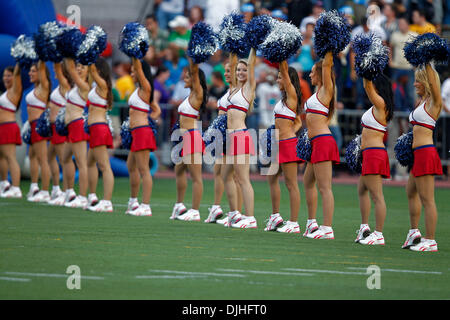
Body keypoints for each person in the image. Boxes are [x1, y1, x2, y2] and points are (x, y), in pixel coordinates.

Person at [403, 64, 443, 252]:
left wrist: (426, 61)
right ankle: (414, 232)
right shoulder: (421, 102)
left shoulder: (434, 102)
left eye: (418, 80)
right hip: (417, 154)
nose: (414, 84)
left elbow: (435, 83)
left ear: (426, 81)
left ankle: (431, 240)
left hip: (426, 152)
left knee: (428, 199)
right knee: (410, 191)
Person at [303, 52, 340, 239]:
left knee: (325, 187)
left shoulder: (327, 90)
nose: (310, 75)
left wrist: (328, 48)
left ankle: (327, 228)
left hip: (323, 141)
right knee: (308, 181)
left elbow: (327, 65)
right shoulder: (317, 92)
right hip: (314, 143)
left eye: (312, 72)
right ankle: (312, 223)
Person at [264, 61, 304, 233]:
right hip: (277, 143)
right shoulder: (283, 100)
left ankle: (293, 223)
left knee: (291, 184)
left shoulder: (292, 96)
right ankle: (275, 217)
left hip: (287, 145)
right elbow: (299, 122)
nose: (278, 79)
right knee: (271, 178)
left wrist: (281, 58)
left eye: (281, 77)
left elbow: (286, 76)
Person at [355, 74, 394, 245]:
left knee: (377, 196)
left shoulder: (381, 104)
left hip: (374, 153)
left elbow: (367, 87)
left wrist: (366, 69)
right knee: (362, 190)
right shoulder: (376, 106)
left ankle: (378, 234)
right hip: (369, 152)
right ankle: (365, 227)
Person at [221, 49, 257, 229]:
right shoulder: (234, 89)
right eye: (238, 70)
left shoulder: (249, 88)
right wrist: (232, 46)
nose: (240, 72)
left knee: (243, 179)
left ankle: (250, 218)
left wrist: (254, 46)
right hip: (230, 137)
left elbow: (251, 64)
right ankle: (235, 213)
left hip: (240, 136)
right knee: (225, 174)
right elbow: (232, 62)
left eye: (244, 70)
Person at [204, 62, 243, 224]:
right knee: (219, 171)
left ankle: (236, 212)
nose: (226, 73)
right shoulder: (227, 91)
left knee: (233, 176)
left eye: (229, 71)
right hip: (222, 135)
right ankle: (218, 207)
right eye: (225, 71)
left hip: (231, 135)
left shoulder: (238, 91)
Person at [170, 57, 207, 221]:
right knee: (179, 171)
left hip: (192, 138)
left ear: (194, 79)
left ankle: (195, 210)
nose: (184, 78)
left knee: (196, 177)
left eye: (187, 76)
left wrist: (194, 57)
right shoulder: (189, 95)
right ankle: (179, 205)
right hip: (183, 139)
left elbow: (195, 72)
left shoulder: (197, 94)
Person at [126, 58, 161, 216]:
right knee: (130, 166)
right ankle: (133, 201)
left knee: (143, 169)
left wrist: (135, 53)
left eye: (134, 70)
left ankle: (145, 206)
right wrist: (152, 119)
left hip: (141, 131)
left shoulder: (146, 87)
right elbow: (156, 110)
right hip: (136, 131)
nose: (132, 73)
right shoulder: (139, 89)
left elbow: (140, 70)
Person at [86, 58, 115, 212]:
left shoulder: (103, 84)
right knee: (89, 162)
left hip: (98, 128)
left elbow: (90, 70)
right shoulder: (96, 85)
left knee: (104, 166)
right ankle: (92, 196)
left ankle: (107, 201)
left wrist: (90, 53)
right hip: (94, 128)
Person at [62, 58, 91, 208]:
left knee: (81, 163)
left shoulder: (84, 86)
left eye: (83, 67)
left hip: (78, 125)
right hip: (70, 127)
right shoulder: (74, 86)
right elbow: (68, 73)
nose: (79, 69)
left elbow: (70, 71)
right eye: (78, 67)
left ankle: (83, 196)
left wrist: (68, 55)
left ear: (88, 71)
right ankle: (69, 191)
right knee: (65, 158)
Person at [47, 62, 76, 206]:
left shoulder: (65, 86)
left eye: (57, 68)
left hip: (60, 127)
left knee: (64, 160)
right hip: (54, 128)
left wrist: (57, 56)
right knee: (50, 157)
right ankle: (58, 189)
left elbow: (58, 69)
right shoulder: (60, 86)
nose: (54, 69)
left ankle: (67, 192)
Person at [26, 61, 51, 202]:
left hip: (38, 125)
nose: (30, 73)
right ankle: (34, 186)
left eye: (33, 71)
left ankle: (45, 191)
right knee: (32, 156)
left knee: (42, 159)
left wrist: (41, 54)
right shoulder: (36, 88)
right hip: (31, 125)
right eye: (30, 71)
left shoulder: (43, 87)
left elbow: (42, 69)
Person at [0, 64, 22, 198]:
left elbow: (18, 74)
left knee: (10, 157)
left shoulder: (15, 90)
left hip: (9, 126)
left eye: (9, 75)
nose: (6, 78)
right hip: (2, 128)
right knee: (1, 157)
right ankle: (4, 183)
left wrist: (20, 59)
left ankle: (16, 188)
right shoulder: (5, 93)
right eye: (4, 75)